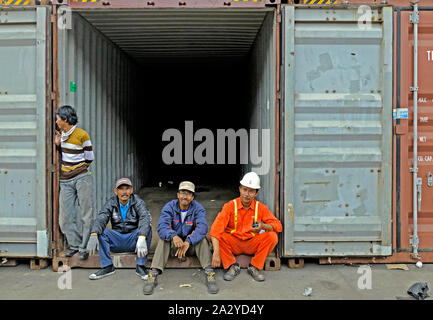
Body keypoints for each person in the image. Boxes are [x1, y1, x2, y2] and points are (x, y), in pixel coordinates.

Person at [143, 181, 218, 295]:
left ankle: (209, 273)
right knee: (164, 239)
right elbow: (162, 227)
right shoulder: (169, 207)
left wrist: (188, 241)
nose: (185, 196)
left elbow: (202, 228)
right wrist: (173, 236)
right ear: (178, 195)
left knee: (202, 239)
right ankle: (153, 274)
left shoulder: (198, 208)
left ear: (192, 197)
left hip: (191, 247)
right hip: (174, 247)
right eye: (182, 193)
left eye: (188, 194)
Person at [209, 171, 282, 282]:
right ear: (240, 189)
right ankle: (231, 266)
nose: (247, 194)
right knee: (220, 236)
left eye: (251, 191)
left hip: (252, 243)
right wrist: (216, 252)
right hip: (234, 242)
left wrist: (263, 226)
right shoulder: (229, 206)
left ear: (256, 193)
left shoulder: (260, 208)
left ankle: (255, 266)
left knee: (272, 236)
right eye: (244, 190)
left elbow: (278, 226)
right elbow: (215, 230)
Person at [87, 177, 152, 280]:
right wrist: (94, 233)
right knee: (101, 232)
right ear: (116, 191)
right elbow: (102, 217)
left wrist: (142, 237)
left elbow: (145, 218)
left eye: (127, 189)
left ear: (131, 190)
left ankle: (141, 266)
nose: (124, 192)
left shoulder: (138, 202)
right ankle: (107, 266)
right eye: (121, 189)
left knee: (147, 229)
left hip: (134, 242)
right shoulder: (111, 202)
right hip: (117, 241)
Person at [55, 105, 95, 260]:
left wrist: (78, 170)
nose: (56, 121)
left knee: (86, 214)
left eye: (58, 118)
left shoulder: (82, 135)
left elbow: (89, 158)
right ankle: (75, 244)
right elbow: (64, 153)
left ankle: (83, 247)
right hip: (65, 181)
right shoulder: (62, 135)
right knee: (64, 219)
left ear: (65, 119)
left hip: (82, 178)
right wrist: (59, 145)